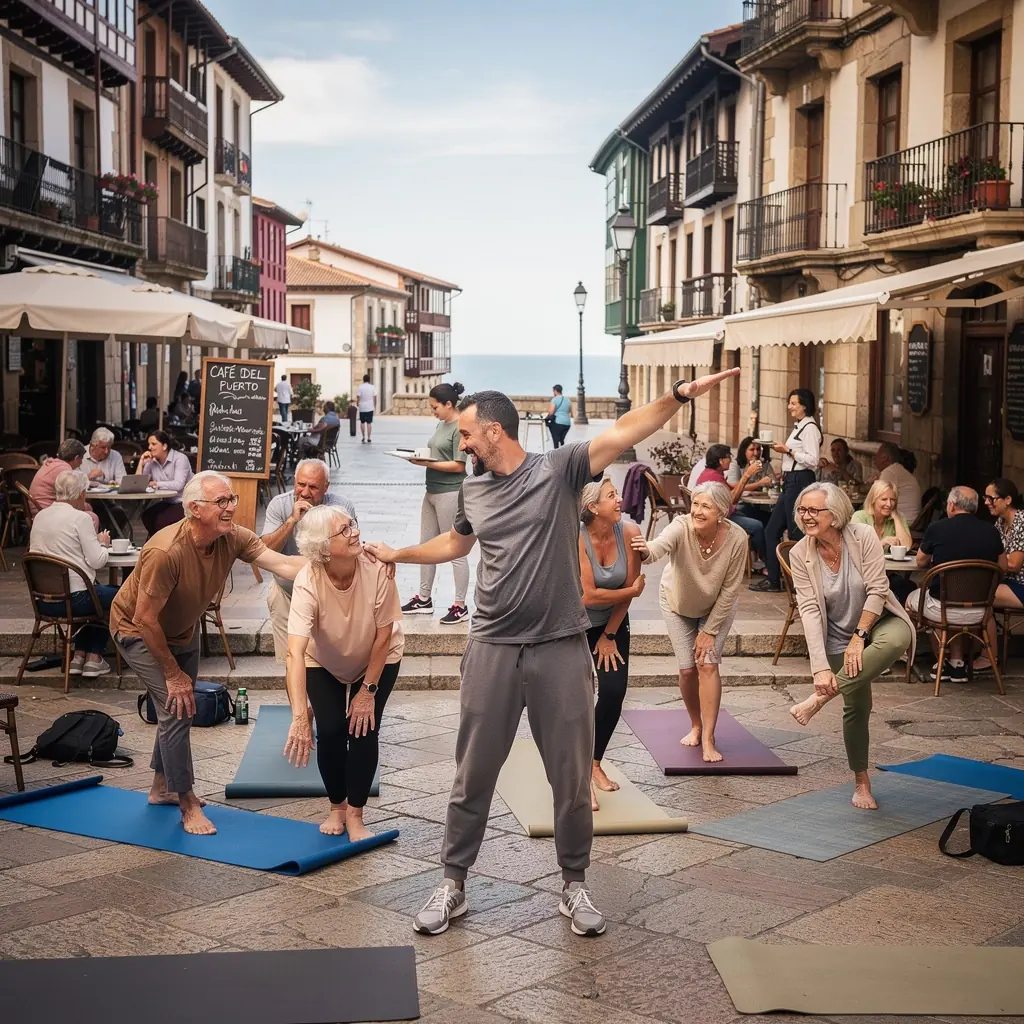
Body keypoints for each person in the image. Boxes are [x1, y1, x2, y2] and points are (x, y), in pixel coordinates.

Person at [365, 368, 739, 939]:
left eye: (467, 435)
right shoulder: (473, 488)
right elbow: (456, 542)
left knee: (569, 774)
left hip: (560, 647)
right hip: (491, 644)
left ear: (494, 430)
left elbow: (622, 430)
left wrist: (678, 395)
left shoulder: (558, 469)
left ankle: (574, 883)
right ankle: (453, 882)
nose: (460, 445)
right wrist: (402, 550)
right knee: (472, 773)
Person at [110, 471, 305, 835]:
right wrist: (172, 673)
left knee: (180, 710)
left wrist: (330, 566)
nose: (231, 507)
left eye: (232, 499)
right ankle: (186, 804)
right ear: (195, 509)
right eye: (222, 502)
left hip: (181, 630)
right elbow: (145, 619)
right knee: (174, 706)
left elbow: (279, 562)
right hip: (137, 630)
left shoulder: (231, 537)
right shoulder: (165, 551)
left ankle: (160, 789)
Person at [786, 483, 913, 809]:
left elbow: (878, 589)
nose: (806, 516)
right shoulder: (800, 553)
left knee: (900, 638)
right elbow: (810, 610)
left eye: (814, 510)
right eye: (803, 510)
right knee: (858, 709)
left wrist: (860, 637)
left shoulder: (863, 535)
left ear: (836, 514)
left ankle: (818, 701)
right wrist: (820, 667)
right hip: (836, 637)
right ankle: (861, 782)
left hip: (879, 623)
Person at [282, 506, 404, 839]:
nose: (355, 532)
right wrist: (298, 716)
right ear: (322, 546)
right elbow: (295, 651)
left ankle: (355, 815)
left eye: (352, 525)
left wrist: (367, 692)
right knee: (332, 729)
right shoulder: (308, 579)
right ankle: (337, 807)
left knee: (363, 728)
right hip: (322, 659)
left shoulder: (378, 568)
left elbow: (383, 635)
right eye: (344, 530)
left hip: (377, 656)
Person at [631, 482, 747, 763]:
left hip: (717, 607)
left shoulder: (738, 539)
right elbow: (659, 547)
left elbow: (731, 590)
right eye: (695, 504)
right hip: (677, 603)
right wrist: (645, 551)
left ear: (721, 512)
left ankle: (708, 736)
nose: (697, 510)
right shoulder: (681, 526)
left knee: (707, 663)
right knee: (686, 670)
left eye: (706, 506)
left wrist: (709, 630)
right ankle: (695, 724)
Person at [578, 478, 644, 809]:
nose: (620, 499)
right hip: (573, 625)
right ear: (592, 507)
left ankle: (593, 762)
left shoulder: (630, 533)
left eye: (617, 494)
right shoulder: (575, 537)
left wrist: (609, 635)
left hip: (612, 623)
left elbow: (631, 587)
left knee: (614, 692)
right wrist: (631, 592)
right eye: (611, 496)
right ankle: (575, 774)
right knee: (576, 697)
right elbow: (588, 596)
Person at [262, 458, 356, 664]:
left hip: (328, 593)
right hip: (287, 590)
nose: (305, 493)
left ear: (326, 487)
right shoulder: (279, 504)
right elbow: (265, 551)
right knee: (292, 659)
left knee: (327, 661)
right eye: (300, 485)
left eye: (313, 487)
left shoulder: (341, 507)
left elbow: (352, 551)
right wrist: (291, 521)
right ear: (294, 481)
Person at [906, 486, 1001, 683]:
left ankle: (934, 659)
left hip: (942, 609)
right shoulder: (991, 531)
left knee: (913, 600)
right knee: (951, 602)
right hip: (981, 611)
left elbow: (920, 562)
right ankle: (956, 662)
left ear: (951, 505)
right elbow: (1004, 566)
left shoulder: (937, 528)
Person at [29, 470, 116, 679]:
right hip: (76, 600)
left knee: (97, 595)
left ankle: (78, 656)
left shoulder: (40, 516)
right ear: (80, 494)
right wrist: (102, 544)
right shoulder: (81, 518)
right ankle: (93, 657)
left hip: (43, 601)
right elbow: (97, 561)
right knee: (120, 595)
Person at [401, 382, 470, 624]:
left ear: (448, 404)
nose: (433, 412)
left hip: (450, 493)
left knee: (455, 550)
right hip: (431, 492)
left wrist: (426, 464)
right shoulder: (442, 424)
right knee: (425, 546)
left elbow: (459, 465)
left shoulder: (459, 427)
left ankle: (460, 606)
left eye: (435, 407)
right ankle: (424, 598)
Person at [750, 388, 821, 593]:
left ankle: (800, 583)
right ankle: (774, 579)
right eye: (789, 402)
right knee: (771, 530)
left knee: (796, 532)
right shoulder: (799, 427)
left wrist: (788, 450)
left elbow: (813, 460)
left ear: (804, 405)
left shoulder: (810, 428)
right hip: (791, 480)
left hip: (800, 480)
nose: (790, 406)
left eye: (793, 403)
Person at [980, 478, 1024, 674]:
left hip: (1020, 585)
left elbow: (1013, 564)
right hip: (1008, 582)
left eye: (991, 498)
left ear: (1007, 499)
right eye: (985, 497)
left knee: (980, 597)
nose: (987, 502)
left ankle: (988, 657)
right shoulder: (1000, 522)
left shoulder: (1021, 522)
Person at [698, 443, 766, 567]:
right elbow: (732, 499)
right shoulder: (713, 478)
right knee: (757, 525)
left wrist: (755, 482)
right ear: (720, 460)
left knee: (759, 514)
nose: (731, 460)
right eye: (729, 456)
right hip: (720, 519)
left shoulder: (714, 473)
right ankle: (764, 562)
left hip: (724, 513)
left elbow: (732, 488)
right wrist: (747, 475)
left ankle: (754, 558)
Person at [853, 478, 915, 602]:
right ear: (873, 500)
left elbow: (907, 546)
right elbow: (856, 550)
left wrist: (896, 517)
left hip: (887, 574)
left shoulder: (898, 517)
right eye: (884, 499)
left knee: (908, 588)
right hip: (862, 575)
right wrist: (882, 543)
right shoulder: (860, 517)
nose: (889, 504)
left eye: (892, 500)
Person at [28, 438, 101, 531]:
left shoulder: (52, 464)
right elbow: (74, 500)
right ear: (76, 458)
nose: (81, 463)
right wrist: (88, 506)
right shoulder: (64, 470)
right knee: (92, 517)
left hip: (40, 511)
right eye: (81, 459)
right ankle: (84, 545)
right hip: (46, 513)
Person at [136, 430, 194, 537]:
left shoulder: (180, 459)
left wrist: (156, 484)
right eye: (149, 444)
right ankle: (156, 543)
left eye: (153, 444)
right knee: (147, 516)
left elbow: (178, 485)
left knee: (160, 521)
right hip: (169, 501)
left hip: (185, 502)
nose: (150, 447)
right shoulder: (152, 461)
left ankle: (162, 544)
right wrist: (141, 463)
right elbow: (139, 483)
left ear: (164, 446)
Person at [873, 441, 921, 524]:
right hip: (912, 520)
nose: (875, 458)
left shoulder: (890, 472)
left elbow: (877, 499)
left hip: (903, 521)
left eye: (877, 455)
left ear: (884, 458)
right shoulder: (897, 470)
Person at [356, 374, 376, 443]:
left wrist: (358, 404)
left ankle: (363, 437)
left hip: (362, 406)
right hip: (370, 406)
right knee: (369, 423)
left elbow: (358, 397)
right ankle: (369, 437)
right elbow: (374, 397)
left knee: (362, 422)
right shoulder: (372, 387)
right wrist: (374, 405)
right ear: (369, 380)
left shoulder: (360, 387)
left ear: (363, 379)